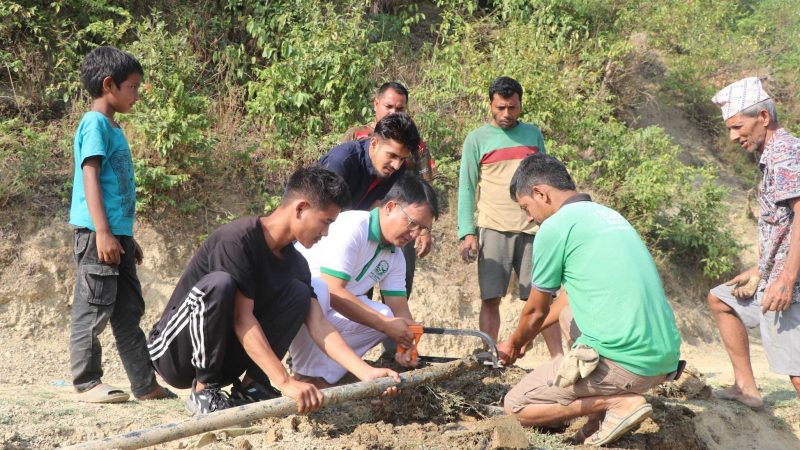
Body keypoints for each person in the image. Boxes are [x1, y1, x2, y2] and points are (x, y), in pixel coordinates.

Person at [147, 167, 400, 415]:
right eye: (325, 222)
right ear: (300, 208)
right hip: (175, 355)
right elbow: (241, 318)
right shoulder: (236, 240)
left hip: (225, 358)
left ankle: (253, 386)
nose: (326, 233)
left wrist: (365, 372)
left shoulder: (296, 264)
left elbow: (320, 325)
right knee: (220, 284)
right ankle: (204, 391)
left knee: (300, 292)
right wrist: (285, 380)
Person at [499, 154, 682, 446]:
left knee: (516, 405)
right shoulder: (608, 216)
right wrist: (520, 340)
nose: (529, 218)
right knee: (569, 315)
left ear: (540, 193)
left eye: (526, 208)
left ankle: (617, 404)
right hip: (664, 360)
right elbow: (562, 304)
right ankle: (601, 415)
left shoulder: (555, 227)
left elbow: (535, 311)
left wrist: (513, 342)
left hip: (627, 364)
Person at [68, 46, 173, 404]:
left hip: (116, 236)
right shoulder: (95, 123)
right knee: (93, 308)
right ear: (108, 84)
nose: (137, 93)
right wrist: (102, 231)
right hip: (98, 236)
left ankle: (145, 385)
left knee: (129, 311)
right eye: (133, 86)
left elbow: (116, 190)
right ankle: (86, 382)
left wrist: (126, 236)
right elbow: (90, 177)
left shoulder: (113, 127)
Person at [289, 174, 438, 386]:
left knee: (386, 314)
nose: (415, 234)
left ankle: (323, 377)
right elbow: (332, 290)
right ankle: (304, 373)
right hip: (297, 306)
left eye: (423, 229)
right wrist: (385, 325)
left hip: (329, 311)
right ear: (390, 207)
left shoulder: (395, 254)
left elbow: (399, 310)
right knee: (320, 289)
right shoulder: (354, 227)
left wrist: (407, 344)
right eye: (412, 223)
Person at [708, 77, 800, 409]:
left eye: (737, 126)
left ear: (763, 117)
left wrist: (786, 280)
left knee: (796, 369)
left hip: (790, 282)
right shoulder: (772, 155)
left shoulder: (785, 152)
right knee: (722, 300)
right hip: (773, 273)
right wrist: (759, 268)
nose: (733, 136)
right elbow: (783, 224)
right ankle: (747, 389)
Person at [457, 76, 561, 354]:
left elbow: (545, 178)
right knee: (491, 297)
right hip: (493, 227)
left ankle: (557, 359)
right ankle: (488, 355)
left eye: (512, 108)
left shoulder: (533, 135)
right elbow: (466, 186)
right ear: (490, 104)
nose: (506, 114)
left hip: (533, 230)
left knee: (542, 299)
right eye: (500, 107)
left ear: (520, 105)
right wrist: (466, 232)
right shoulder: (476, 139)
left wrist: (548, 218)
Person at [340, 82, 437, 300]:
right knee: (355, 288)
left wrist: (424, 229)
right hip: (361, 223)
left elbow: (425, 188)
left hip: (402, 224)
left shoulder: (416, 145)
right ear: (376, 104)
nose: (393, 112)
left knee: (399, 286)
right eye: (388, 106)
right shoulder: (357, 136)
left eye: (400, 109)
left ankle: (394, 330)